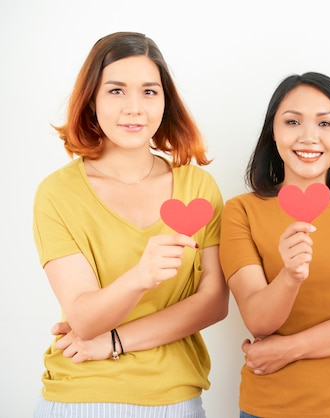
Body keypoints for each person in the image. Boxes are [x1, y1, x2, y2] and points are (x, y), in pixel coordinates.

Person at [32, 31, 228, 417]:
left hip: (176, 398)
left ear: (165, 102)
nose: (134, 108)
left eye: (149, 92)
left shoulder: (198, 187)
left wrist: (115, 341)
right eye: (117, 91)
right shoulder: (57, 193)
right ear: (91, 100)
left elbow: (213, 302)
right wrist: (140, 276)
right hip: (81, 396)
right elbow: (84, 319)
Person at [219, 72, 330, 418]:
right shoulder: (241, 211)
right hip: (269, 408)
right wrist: (290, 276)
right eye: (293, 121)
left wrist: (289, 349)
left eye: (325, 123)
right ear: (274, 132)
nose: (308, 137)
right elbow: (258, 321)